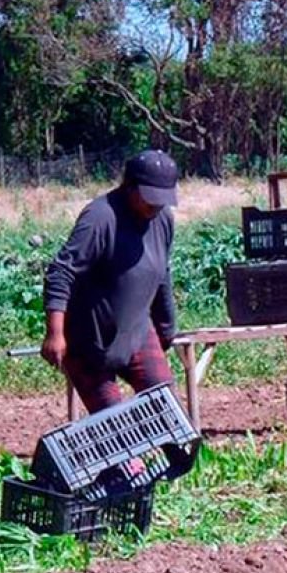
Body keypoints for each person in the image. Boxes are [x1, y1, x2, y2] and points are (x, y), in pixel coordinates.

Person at [41, 149, 179, 414]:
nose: (156, 206)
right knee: (115, 429)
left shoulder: (162, 220)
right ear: (130, 186)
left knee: (169, 414)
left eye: (162, 199)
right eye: (151, 198)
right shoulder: (101, 217)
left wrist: (166, 327)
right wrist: (55, 333)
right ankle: (128, 458)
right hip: (89, 342)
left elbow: (162, 274)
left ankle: (180, 457)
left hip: (136, 332)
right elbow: (61, 272)